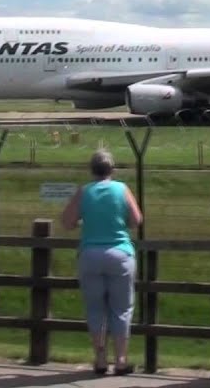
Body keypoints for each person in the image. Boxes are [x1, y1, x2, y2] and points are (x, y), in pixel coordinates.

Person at [61, 149, 143, 375]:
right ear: (112, 170)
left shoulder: (84, 192)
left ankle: (99, 358)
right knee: (122, 308)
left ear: (91, 170)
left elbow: (66, 221)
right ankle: (121, 359)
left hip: (90, 254)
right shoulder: (122, 189)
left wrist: (83, 222)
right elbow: (137, 220)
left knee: (95, 307)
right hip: (120, 253)